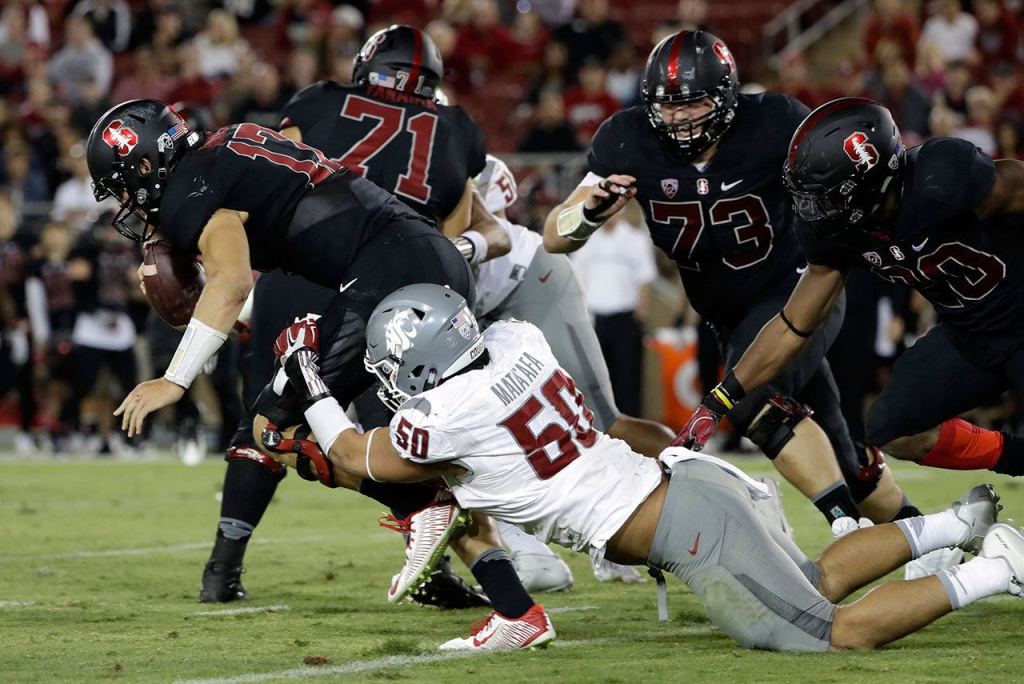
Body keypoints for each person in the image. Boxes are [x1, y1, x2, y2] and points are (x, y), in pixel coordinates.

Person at [263, 282, 1023, 653]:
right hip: (691, 485)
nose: (395, 380)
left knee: (836, 633)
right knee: (817, 578)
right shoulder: (518, 342)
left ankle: (993, 566)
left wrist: (307, 374)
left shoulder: (446, 414)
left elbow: (352, 454)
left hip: (685, 526)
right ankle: (958, 523)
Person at [542, 30, 919, 532]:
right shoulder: (627, 138)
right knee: (845, 455)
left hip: (797, 292)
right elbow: (553, 236)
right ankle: (934, 538)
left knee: (749, 398)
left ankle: (845, 528)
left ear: (723, 96)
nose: (674, 118)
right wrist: (587, 216)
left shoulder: (773, 122)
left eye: (691, 104)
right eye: (664, 106)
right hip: (725, 314)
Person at [681, 96, 1024, 480]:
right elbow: (794, 325)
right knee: (891, 428)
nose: (812, 211)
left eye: (825, 196)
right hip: (968, 337)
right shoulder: (835, 233)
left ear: (870, 183)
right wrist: (720, 398)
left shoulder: (942, 175)